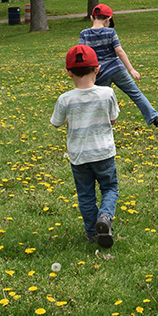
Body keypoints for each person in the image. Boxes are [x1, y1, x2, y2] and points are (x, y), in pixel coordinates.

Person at [50, 44, 120, 248]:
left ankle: (91, 232)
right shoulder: (107, 93)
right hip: (104, 153)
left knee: (86, 195)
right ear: (97, 69)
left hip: (79, 156)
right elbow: (113, 119)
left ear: (68, 72)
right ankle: (105, 217)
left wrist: (70, 118)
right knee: (110, 188)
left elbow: (56, 123)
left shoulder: (65, 99)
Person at [78, 3, 158, 132]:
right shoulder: (111, 32)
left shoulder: (84, 34)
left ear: (92, 18)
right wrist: (131, 69)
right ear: (108, 19)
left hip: (100, 73)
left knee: (98, 99)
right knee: (136, 94)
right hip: (117, 69)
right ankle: (156, 119)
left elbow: (82, 54)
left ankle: (96, 125)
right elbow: (119, 51)